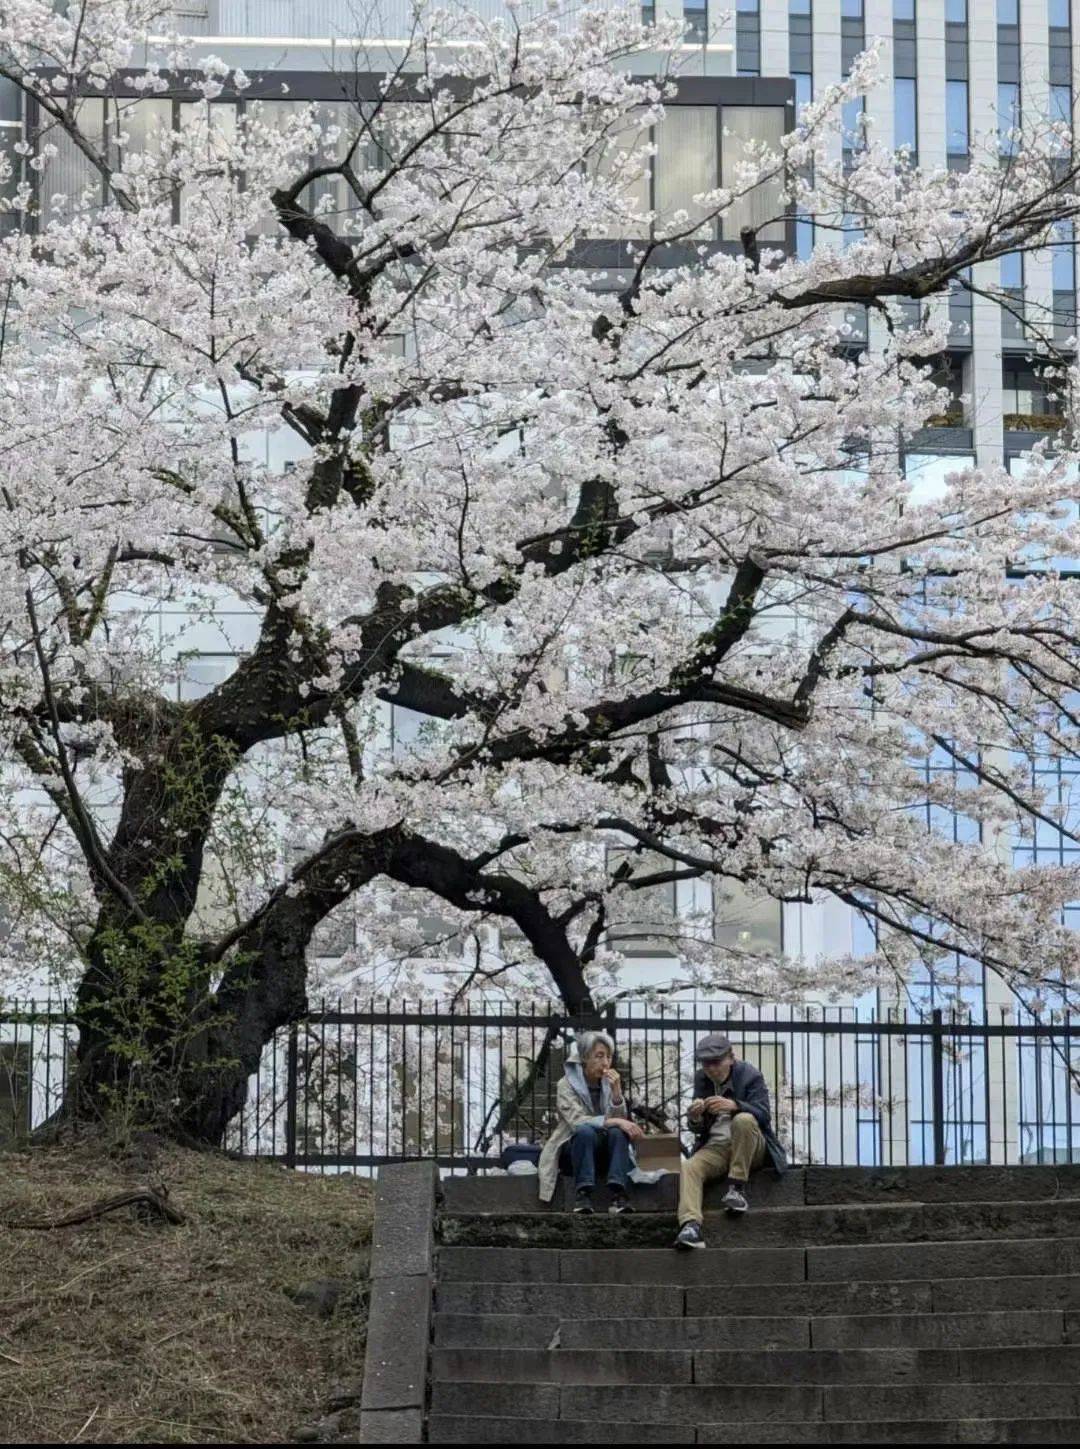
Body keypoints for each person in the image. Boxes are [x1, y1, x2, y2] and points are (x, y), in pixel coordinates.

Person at [673, 1032, 787, 1250]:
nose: (711, 1069)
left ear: (731, 1058)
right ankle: (691, 1225)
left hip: (750, 1146)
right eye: (706, 1064)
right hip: (716, 1147)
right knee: (689, 1167)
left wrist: (735, 1105)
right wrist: (695, 1117)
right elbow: (698, 1129)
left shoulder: (750, 1075)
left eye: (716, 1062)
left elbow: (763, 1115)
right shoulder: (702, 1079)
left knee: (743, 1120)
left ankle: (736, 1188)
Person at [537, 1030, 644, 1213]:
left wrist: (617, 1093)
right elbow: (577, 1121)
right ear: (585, 1057)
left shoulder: (608, 1084)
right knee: (585, 1131)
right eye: (599, 1056)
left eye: (608, 1057)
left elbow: (618, 1119)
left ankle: (618, 1193)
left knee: (618, 1133)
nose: (605, 1062)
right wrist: (616, 1122)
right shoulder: (566, 1084)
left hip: (604, 1152)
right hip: (575, 1151)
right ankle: (583, 1195)